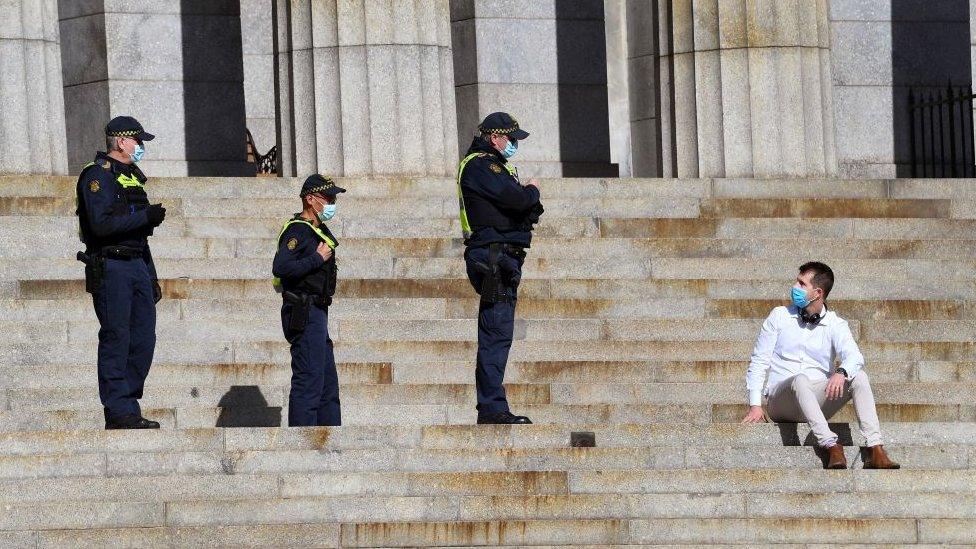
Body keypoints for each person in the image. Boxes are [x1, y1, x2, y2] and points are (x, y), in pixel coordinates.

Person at [742, 262, 900, 469]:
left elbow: (855, 357)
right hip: (782, 401)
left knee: (859, 376)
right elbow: (759, 360)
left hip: (817, 400)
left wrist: (841, 372)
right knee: (800, 379)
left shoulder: (836, 324)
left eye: (801, 283)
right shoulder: (779, 316)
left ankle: (875, 449)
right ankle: (830, 444)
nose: (795, 286)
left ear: (817, 292)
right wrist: (755, 405)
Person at [75, 116, 166, 429]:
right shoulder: (96, 176)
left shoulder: (132, 177)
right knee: (117, 337)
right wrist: (145, 217)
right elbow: (100, 226)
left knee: (144, 339)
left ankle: (128, 401)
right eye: (138, 141)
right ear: (122, 141)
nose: (140, 147)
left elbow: (140, 234)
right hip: (111, 265)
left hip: (137, 264)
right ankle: (119, 410)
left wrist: (151, 274)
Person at [457, 112, 544, 424]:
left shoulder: (491, 167)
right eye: (511, 139)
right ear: (495, 138)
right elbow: (518, 200)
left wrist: (526, 201)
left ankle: (492, 406)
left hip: (499, 255)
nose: (514, 145)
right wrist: (532, 191)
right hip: (494, 257)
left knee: (496, 332)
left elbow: (525, 211)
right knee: (496, 334)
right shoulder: (483, 165)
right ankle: (492, 408)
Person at [272, 174, 344, 426]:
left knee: (327, 384)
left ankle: (332, 439)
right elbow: (281, 267)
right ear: (310, 199)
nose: (332, 203)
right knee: (309, 381)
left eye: (334, 198)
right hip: (304, 310)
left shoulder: (316, 230)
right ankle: (302, 443)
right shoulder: (298, 231)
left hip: (318, 311)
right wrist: (317, 259)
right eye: (328, 198)